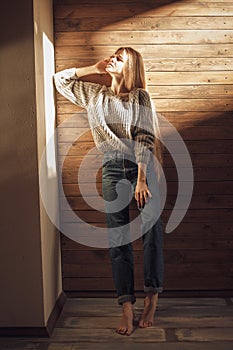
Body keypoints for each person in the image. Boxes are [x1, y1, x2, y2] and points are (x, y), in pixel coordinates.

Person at [53, 47, 164, 336]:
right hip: (112, 168)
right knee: (118, 237)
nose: (112, 59)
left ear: (131, 67)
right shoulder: (95, 95)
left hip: (143, 168)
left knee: (152, 233)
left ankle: (151, 297)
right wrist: (93, 67)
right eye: (112, 55)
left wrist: (142, 179)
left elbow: (145, 136)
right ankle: (126, 305)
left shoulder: (140, 96)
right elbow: (60, 80)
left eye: (119, 58)